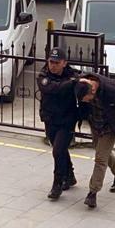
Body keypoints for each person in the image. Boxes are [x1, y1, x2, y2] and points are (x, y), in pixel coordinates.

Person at [74, 74, 115, 209]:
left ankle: (92, 193)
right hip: (96, 124)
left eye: (87, 99)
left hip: (110, 127)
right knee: (102, 152)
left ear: (93, 91)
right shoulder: (83, 83)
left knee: (100, 159)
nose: (85, 101)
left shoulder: (112, 90)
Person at [37, 47, 79, 200]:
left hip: (67, 120)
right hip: (50, 118)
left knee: (57, 151)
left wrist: (74, 81)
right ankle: (70, 175)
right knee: (59, 149)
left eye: (56, 62)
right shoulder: (43, 75)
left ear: (64, 63)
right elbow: (54, 88)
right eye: (51, 62)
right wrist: (71, 83)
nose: (53, 65)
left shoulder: (72, 74)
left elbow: (81, 82)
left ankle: (57, 184)